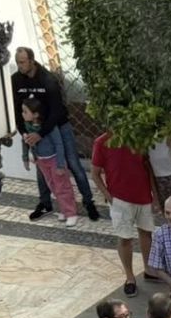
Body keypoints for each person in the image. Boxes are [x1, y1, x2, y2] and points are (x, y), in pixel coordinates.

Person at [11, 48, 95, 221]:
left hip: (57, 127)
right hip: (33, 129)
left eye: (23, 62)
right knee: (42, 167)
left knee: (72, 163)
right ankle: (45, 203)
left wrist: (41, 133)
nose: (19, 66)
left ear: (32, 61)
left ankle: (88, 201)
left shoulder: (47, 79)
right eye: (17, 62)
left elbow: (57, 110)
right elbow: (16, 108)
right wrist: (26, 132)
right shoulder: (16, 80)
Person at [88, 130, 159, 296]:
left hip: (143, 196)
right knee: (125, 238)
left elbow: (148, 168)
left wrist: (154, 195)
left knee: (146, 233)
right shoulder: (102, 142)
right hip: (120, 199)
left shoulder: (139, 137)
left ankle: (148, 268)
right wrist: (109, 196)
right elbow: (95, 173)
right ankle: (130, 277)